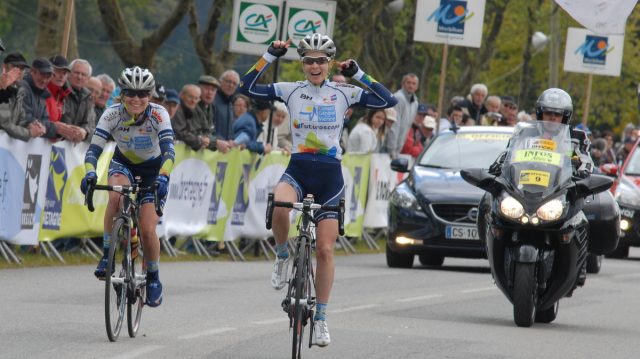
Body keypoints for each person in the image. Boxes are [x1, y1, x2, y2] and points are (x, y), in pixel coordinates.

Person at [239, 33, 397, 346]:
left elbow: (387, 100)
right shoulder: (290, 90)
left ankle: (322, 317)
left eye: (321, 60)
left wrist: (359, 74)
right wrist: (268, 56)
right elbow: (247, 88)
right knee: (280, 206)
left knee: (324, 250)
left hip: (329, 179)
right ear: (302, 64)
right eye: (309, 60)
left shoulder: (344, 92)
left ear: (328, 64)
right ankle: (283, 254)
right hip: (297, 169)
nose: (315, 65)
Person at [80, 66, 174, 307]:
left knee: (147, 228)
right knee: (115, 197)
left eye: (142, 94)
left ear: (150, 95)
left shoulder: (159, 114)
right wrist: (90, 173)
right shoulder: (111, 115)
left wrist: (163, 177)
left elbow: (169, 152)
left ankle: (153, 277)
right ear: (121, 94)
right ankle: (106, 255)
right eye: (130, 92)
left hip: (154, 170)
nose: (136, 98)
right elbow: (94, 150)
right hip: (123, 165)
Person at [490, 88, 593, 179]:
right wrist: (498, 165)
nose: (552, 117)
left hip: (564, 189)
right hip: (523, 184)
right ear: (540, 113)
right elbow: (508, 154)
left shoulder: (577, 137)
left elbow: (586, 161)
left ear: (565, 116)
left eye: (557, 114)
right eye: (548, 112)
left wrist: (583, 172)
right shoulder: (525, 132)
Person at [0, 54, 46, 140]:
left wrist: (31, 125)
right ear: (4, 67)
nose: (19, 71)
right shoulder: (2, 88)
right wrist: (28, 133)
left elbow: (20, 119)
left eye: (22, 69)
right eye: (15, 67)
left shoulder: (19, 90)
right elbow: (4, 124)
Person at [18, 57, 57, 139]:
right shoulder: (22, 87)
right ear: (32, 71)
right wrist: (54, 128)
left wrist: (53, 129)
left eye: (48, 77)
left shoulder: (43, 94)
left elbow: (46, 121)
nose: (44, 80)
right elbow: (24, 117)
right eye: (42, 75)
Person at [384, 73, 418, 158]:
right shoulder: (398, 98)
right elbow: (395, 125)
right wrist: (392, 149)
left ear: (417, 87)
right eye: (408, 82)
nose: (411, 86)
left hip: (398, 147)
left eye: (413, 83)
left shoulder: (415, 102)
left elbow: (407, 126)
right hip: (388, 147)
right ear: (403, 84)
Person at [62, 59, 96, 142]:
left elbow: (92, 127)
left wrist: (84, 132)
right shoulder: (60, 90)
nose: (79, 77)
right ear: (69, 74)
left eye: (83, 74)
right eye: (76, 73)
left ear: (88, 79)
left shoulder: (88, 98)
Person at [171, 84, 211, 151]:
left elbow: (206, 128)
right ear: (181, 95)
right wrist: (199, 141)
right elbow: (180, 132)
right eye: (190, 97)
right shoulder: (177, 109)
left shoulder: (196, 109)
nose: (193, 101)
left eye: (196, 98)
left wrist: (206, 138)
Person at [214, 69, 240, 141]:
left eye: (234, 84)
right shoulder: (212, 99)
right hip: (212, 146)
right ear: (220, 82)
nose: (231, 85)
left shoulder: (232, 102)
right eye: (228, 81)